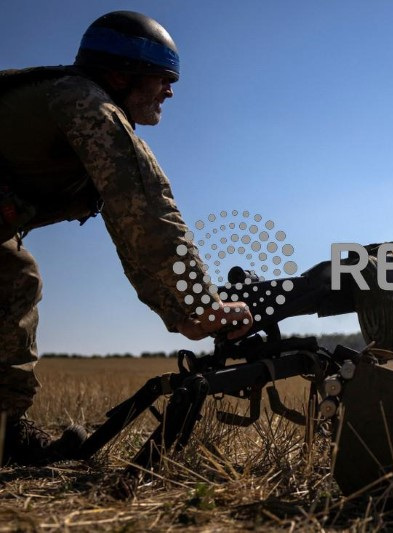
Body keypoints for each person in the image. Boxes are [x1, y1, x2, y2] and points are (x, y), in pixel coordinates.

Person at [0, 11, 252, 465]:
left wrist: (181, 308)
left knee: (15, 274)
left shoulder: (74, 103)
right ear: (121, 75)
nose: (170, 91)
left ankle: (2, 430)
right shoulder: (87, 105)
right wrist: (197, 305)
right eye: (162, 78)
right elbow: (144, 206)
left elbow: (128, 221)